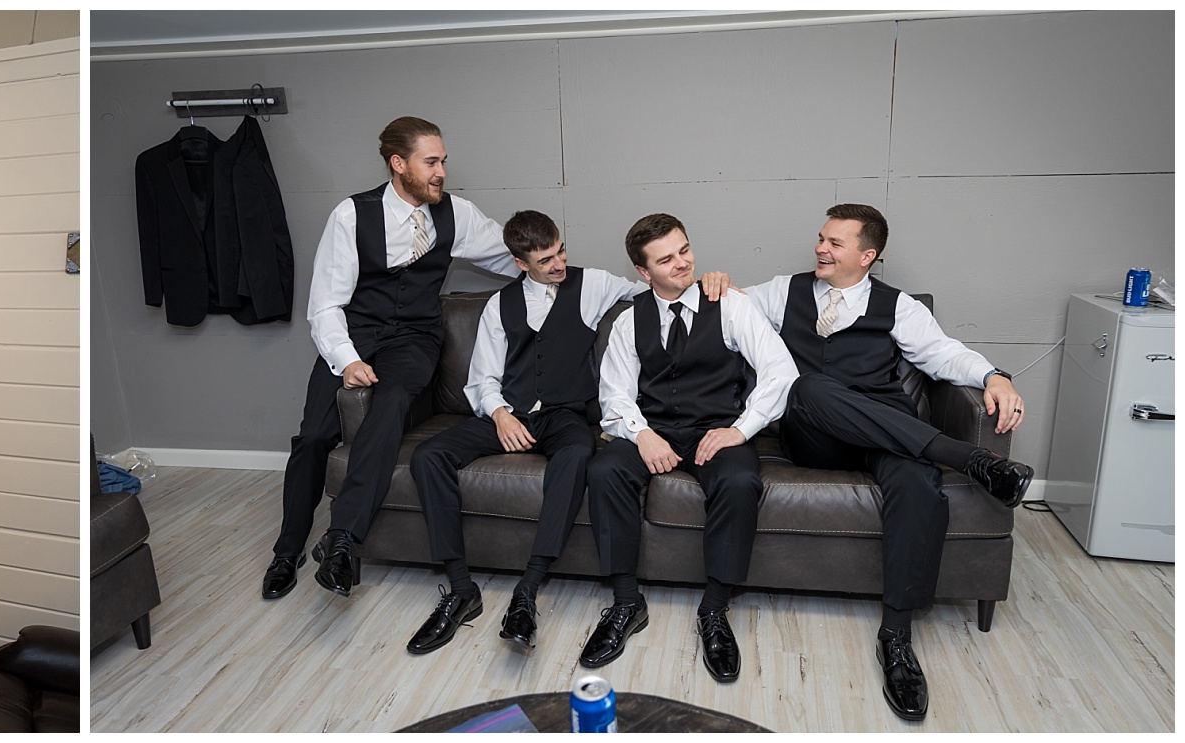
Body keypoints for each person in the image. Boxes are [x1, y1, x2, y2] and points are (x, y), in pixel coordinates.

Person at [700, 203, 1034, 722]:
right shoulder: (783, 291)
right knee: (806, 387)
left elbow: (943, 353)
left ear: (867, 255)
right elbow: (730, 305)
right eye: (821, 238)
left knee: (920, 484)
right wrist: (715, 281)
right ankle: (967, 459)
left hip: (886, 434)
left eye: (835, 243)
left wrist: (994, 376)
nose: (820, 249)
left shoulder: (898, 306)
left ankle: (896, 639)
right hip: (815, 434)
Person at [262, 116, 523, 601]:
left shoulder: (457, 214)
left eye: (443, 161)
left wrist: (564, 275)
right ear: (398, 164)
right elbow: (325, 304)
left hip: (415, 339)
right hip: (354, 333)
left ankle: (343, 539)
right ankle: (287, 549)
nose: (441, 172)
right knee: (314, 435)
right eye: (431, 162)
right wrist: (347, 360)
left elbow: (515, 258)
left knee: (392, 404)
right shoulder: (351, 215)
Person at [400, 210, 646, 654]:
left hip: (564, 415)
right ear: (520, 263)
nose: (559, 264)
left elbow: (654, 289)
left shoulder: (593, 284)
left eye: (561, 251)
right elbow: (482, 379)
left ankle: (527, 590)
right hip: (509, 413)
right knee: (427, 456)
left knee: (577, 454)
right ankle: (461, 589)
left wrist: (712, 286)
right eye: (545, 260)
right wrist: (500, 414)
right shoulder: (500, 304)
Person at [582, 214, 796, 680]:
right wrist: (641, 434)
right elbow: (614, 395)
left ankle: (714, 609)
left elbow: (780, 371)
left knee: (739, 480)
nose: (682, 263)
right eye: (666, 260)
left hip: (716, 427)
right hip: (653, 425)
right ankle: (626, 603)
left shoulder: (730, 305)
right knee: (604, 471)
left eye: (684, 250)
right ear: (643, 272)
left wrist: (741, 429)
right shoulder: (628, 321)